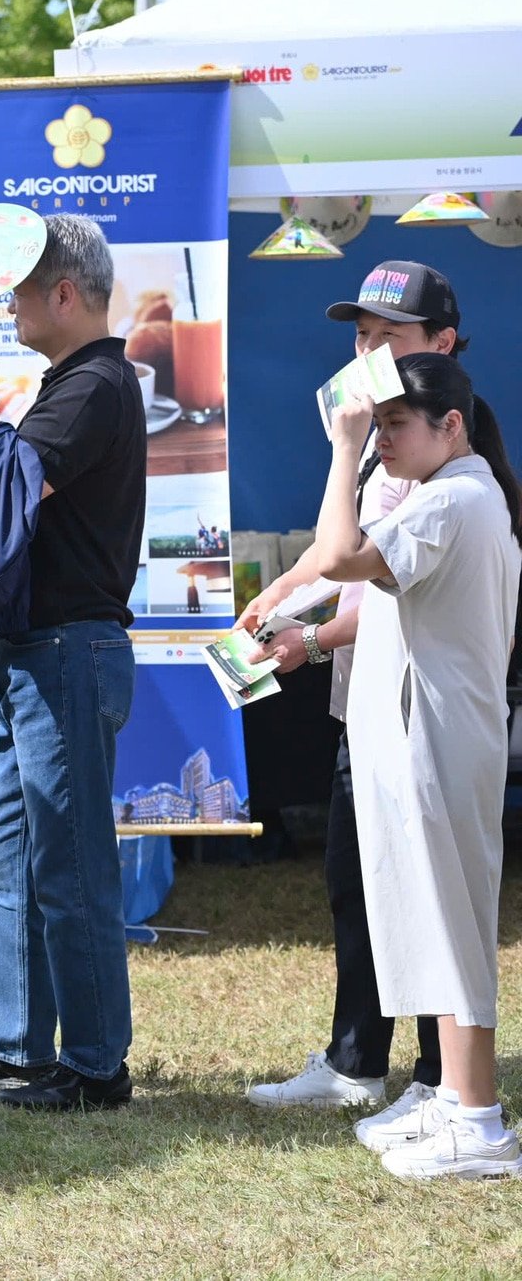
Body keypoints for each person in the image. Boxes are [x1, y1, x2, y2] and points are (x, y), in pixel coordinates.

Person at [238, 261, 464, 1123]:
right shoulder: (381, 436)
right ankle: (360, 1056)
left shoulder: (440, 446)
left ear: (440, 344)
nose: (366, 352)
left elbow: (394, 591)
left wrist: (307, 637)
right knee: (354, 880)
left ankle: (440, 1076)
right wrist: (276, 598)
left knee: (415, 890)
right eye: (360, 336)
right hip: (360, 705)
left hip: (411, 709)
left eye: (387, 337)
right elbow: (337, 555)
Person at [0, 214, 146, 1112]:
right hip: (30, 650)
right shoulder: (72, 383)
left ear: (65, 293)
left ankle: (96, 1064)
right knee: (12, 855)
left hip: (64, 649)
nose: (6, 305)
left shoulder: (94, 385)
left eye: (20, 288)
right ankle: (19, 1042)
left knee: (68, 860)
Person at [312, 353, 521, 1180]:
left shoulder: (457, 500)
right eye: (381, 423)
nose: (384, 439)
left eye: (398, 424)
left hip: (444, 738)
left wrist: (344, 447)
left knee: (453, 921)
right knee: (434, 914)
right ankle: (453, 1100)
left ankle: (480, 1120)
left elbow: (337, 558)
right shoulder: (458, 496)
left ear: (452, 426)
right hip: (438, 735)